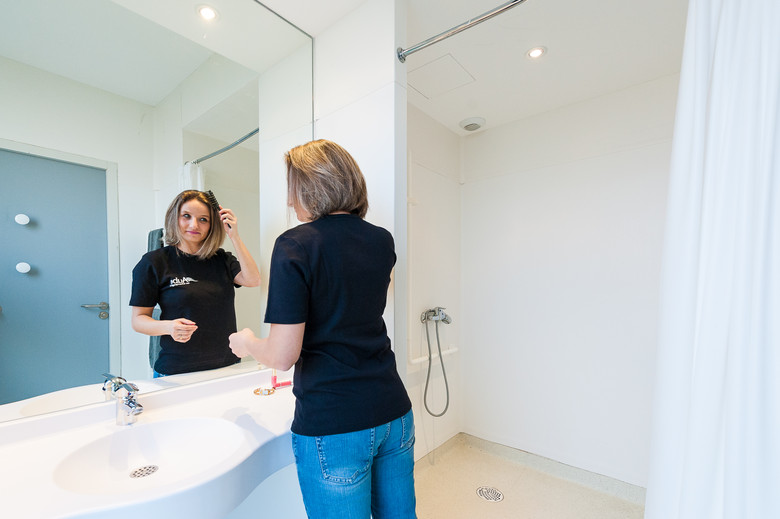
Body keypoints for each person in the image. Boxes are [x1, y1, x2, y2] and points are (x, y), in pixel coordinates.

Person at [229, 140, 416, 519]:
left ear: (311, 186)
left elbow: (282, 356)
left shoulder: (295, 244)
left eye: (292, 188)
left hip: (335, 422)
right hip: (394, 409)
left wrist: (248, 341)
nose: (288, 201)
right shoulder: (382, 240)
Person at [130, 190, 260, 376]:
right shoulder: (154, 263)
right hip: (176, 371)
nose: (194, 225)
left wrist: (235, 237)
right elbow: (138, 320)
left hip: (227, 365)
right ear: (175, 218)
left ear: (211, 225)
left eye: (203, 219)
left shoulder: (221, 259)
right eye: (186, 216)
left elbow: (253, 280)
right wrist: (168, 327)